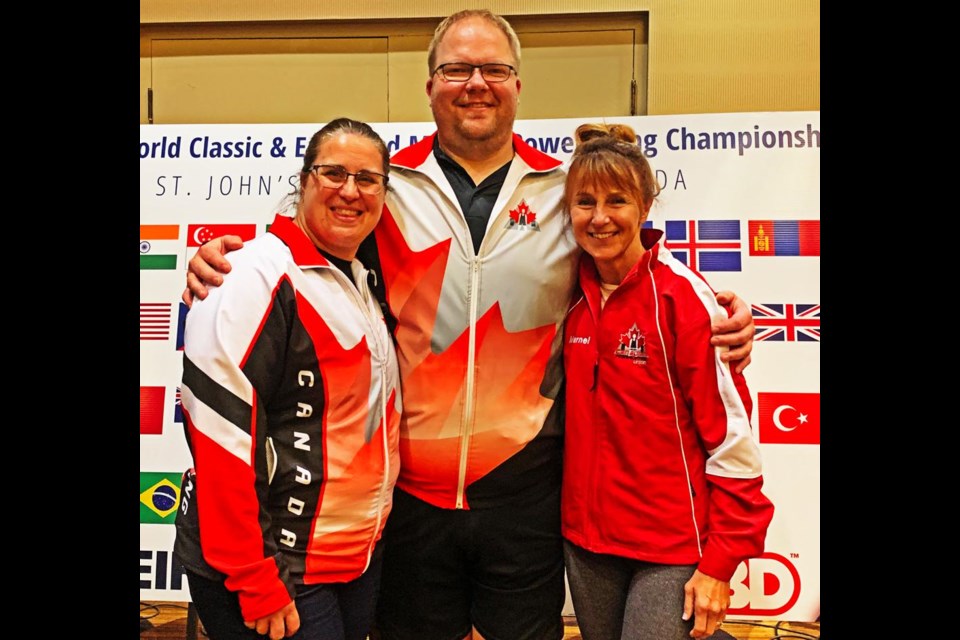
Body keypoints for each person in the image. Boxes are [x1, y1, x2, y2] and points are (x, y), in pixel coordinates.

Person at [183, 11, 757, 640]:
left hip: (527, 496)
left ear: (518, 83)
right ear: (430, 85)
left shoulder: (564, 191)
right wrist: (221, 259)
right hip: (410, 502)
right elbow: (307, 242)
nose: (475, 83)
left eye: (494, 69)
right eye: (456, 69)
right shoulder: (386, 186)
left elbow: (635, 257)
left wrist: (721, 307)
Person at [173, 118, 401, 640]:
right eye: (333, 173)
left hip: (351, 559)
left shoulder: (361, 279)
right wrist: (255, 577)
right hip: (277, 567)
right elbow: (220, 439)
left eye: (367, 178)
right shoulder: (250, 277)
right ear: (302, 182)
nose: (350, 190)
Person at [560, 123, 775, 640]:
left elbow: (733, 440)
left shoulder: (684, 299)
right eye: (584, 202)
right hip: (586, 543)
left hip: (671, 545)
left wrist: (722, 561)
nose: (600, 217)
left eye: (618, 200)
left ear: (646, 207)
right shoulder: (563, 291)